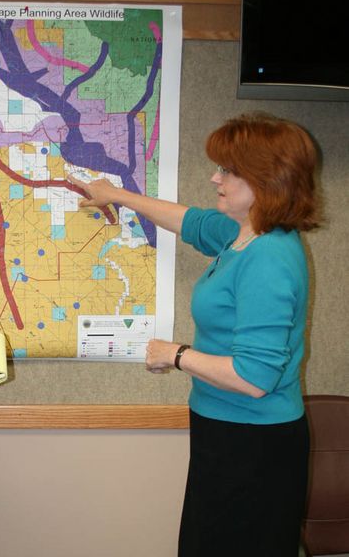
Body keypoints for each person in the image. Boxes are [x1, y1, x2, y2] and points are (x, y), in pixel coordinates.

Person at [69, 111, 319, 557]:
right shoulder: (243, 234)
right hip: (223, 432)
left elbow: (254, 377)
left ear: (265, 179)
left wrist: (176, 354)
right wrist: (116, 195)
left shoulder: (269, 258)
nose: (214, 176)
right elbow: (189, 221)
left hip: (254, 447)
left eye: (227, 169)